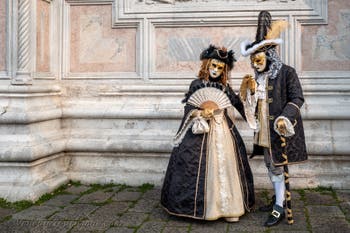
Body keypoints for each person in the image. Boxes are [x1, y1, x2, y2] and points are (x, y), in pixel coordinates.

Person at [161, 45, 255, 222]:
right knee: (201, 166)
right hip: (201, 130)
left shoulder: (225, 87)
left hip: (223, 130)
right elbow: (189, 106)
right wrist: (199, 113)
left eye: (220, 67)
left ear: (224, 70)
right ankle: (207, 209)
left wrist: (249, 94)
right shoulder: (196, 85)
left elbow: (241, 106)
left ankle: (230, 209)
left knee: (226, 164)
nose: (216, 70)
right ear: (206, 65)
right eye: (213, 65)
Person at [239, 11, 307, 227]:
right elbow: (252, 105)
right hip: (263, 130)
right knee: (270, 165)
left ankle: (279, 206)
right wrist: (248, 93)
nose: (254, 63)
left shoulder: (287, 73)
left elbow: (297, 98)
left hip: (280, 131)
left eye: (258, 59)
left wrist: (284, 118)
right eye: (252, 59)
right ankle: (278, 198)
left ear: (269, 56)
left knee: (277, 166)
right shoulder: (257, 77)